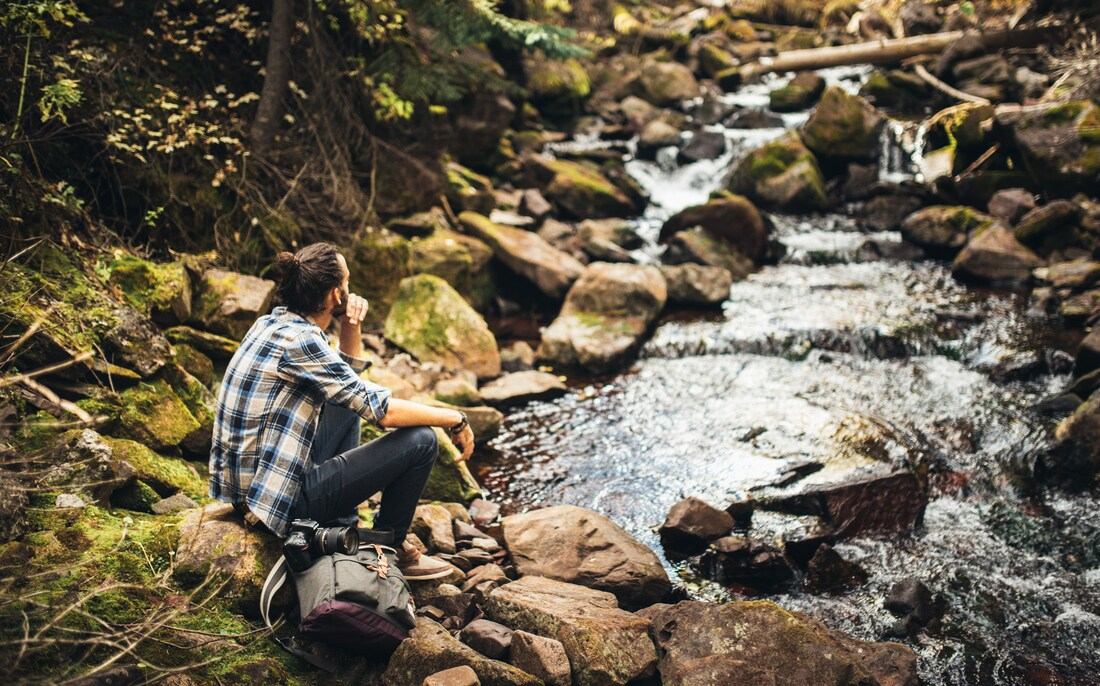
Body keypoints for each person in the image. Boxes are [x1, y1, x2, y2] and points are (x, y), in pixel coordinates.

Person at [208, 242, 473, 580]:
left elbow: (346, 384)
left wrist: (351, 326)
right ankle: (388, 544)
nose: (350, 288)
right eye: (347, 282)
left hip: (250, 492)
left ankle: (343, 522)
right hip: (275, 503)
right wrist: (454, 417)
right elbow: (382, 412)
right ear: (335, 294)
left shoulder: (272, 324)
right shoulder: (302, 342)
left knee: (345, 401)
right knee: (422, 440)